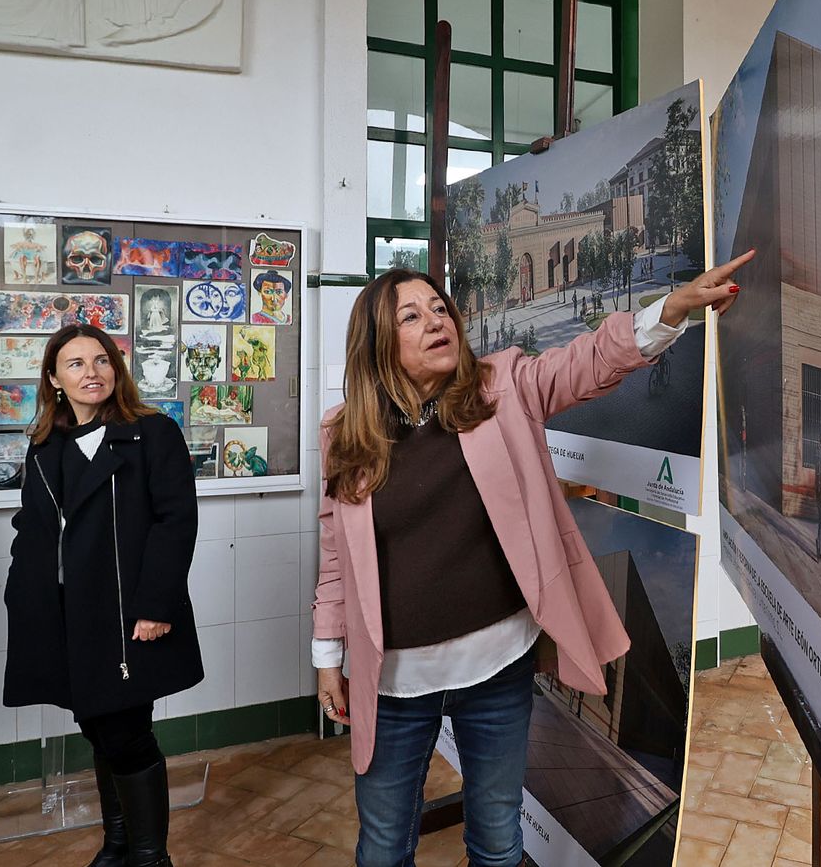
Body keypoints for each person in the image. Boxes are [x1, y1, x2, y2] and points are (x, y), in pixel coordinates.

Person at [313, 251, 751, 867]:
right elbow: (336, 556)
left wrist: (670, 310)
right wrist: (327, 656)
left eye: (439, 308)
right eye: (411, 317)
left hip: (498, 668)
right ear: (378, 345)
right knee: (383, 850)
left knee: (498, 843)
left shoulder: (500, 389)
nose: (436, 321)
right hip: (394, 682)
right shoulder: (345, 434)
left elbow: (586, 363)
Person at [2, 324, 201, 867]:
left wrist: (155, 605)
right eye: (75, 364)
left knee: (125, 731)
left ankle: (149, 857)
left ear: (116, 368)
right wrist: (21, 591)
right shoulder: (45, 446)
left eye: (101, 360)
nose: (92, 373)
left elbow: (175, 522)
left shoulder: (152, 432)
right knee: (96, 725)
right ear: (53, 379)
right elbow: (31, 526)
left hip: (127, 612)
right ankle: (117, 844)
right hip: (65, 612)